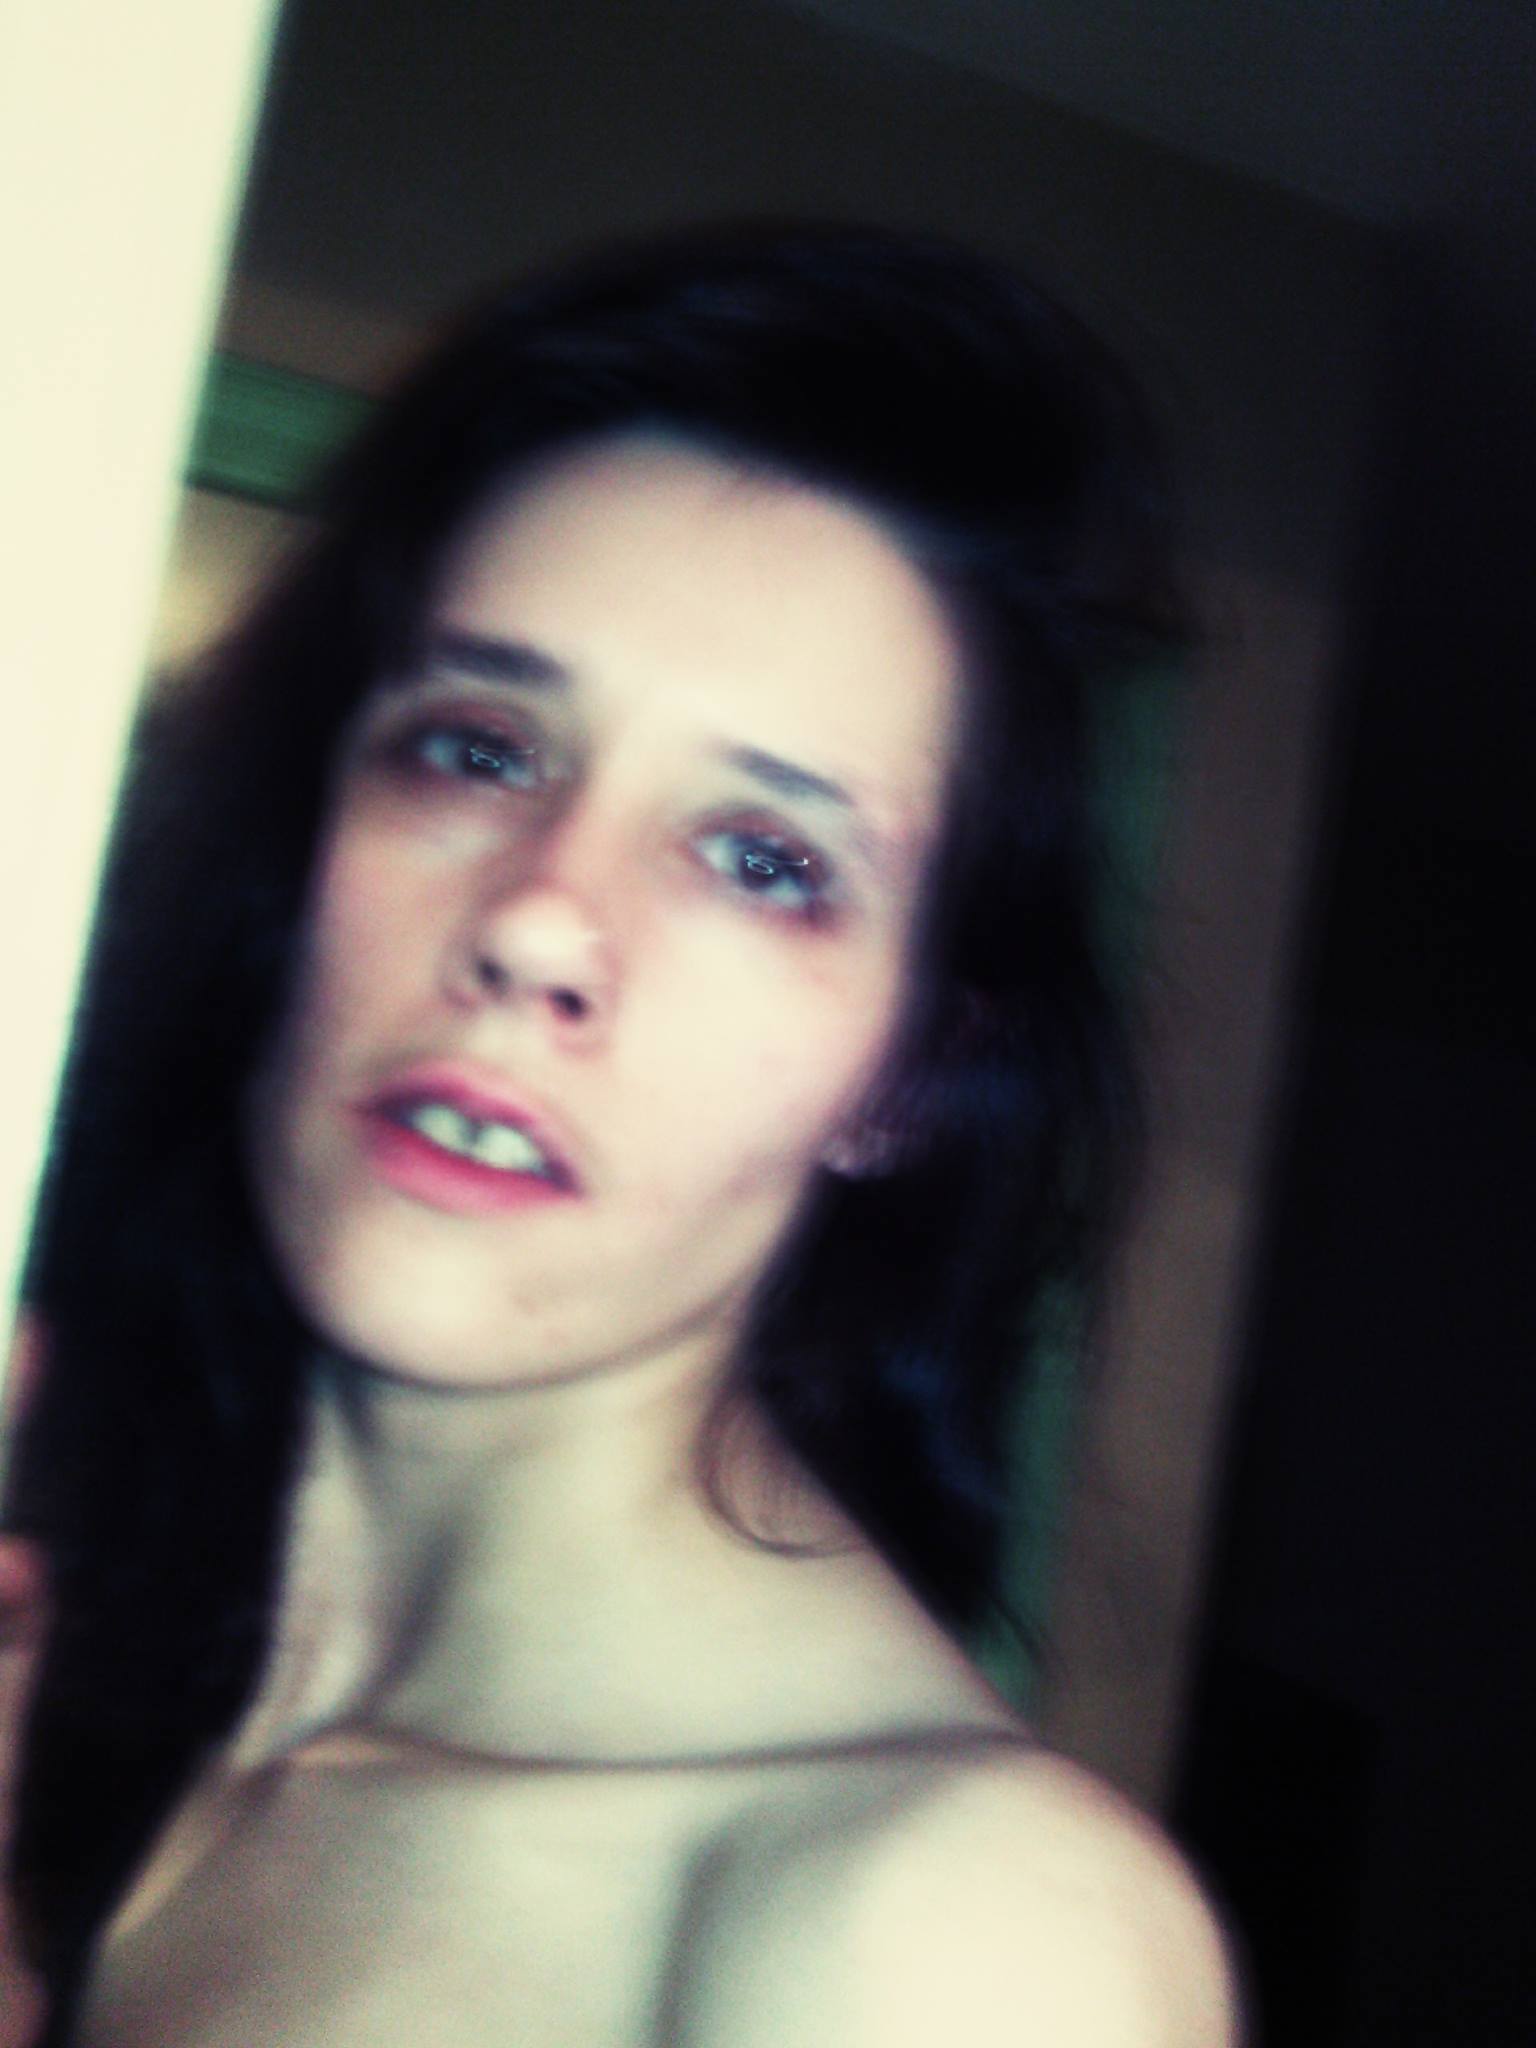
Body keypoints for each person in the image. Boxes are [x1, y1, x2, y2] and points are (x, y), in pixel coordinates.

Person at [1, 221, 1235, 2045]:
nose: (538, 923)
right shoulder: (87, 1668)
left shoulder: (958, 1939)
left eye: (764, 861)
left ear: (903, 1073)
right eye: (479, 749)